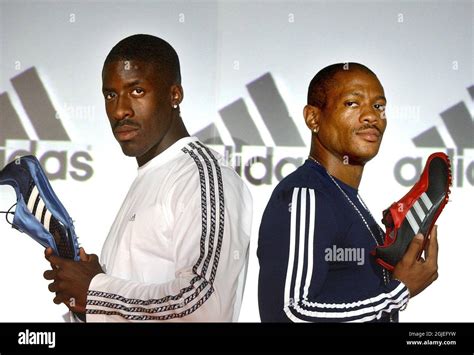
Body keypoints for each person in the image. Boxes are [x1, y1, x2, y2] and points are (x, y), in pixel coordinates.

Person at [43, 34, 252, 322]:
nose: (119, 110)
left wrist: (95, 291)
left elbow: (205, 306)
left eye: (137, 91)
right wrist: (83, 301)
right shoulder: (150, 174)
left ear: (174, 95)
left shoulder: (200, 175)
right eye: (110, 95)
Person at [257, 63, 438, 322]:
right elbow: (290, 313)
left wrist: (395, 263)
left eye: (379, 106)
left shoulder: (346, 198)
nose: (371, 117)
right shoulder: (306, 194)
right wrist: (399, 291)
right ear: (313, 118)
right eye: (353, 103)